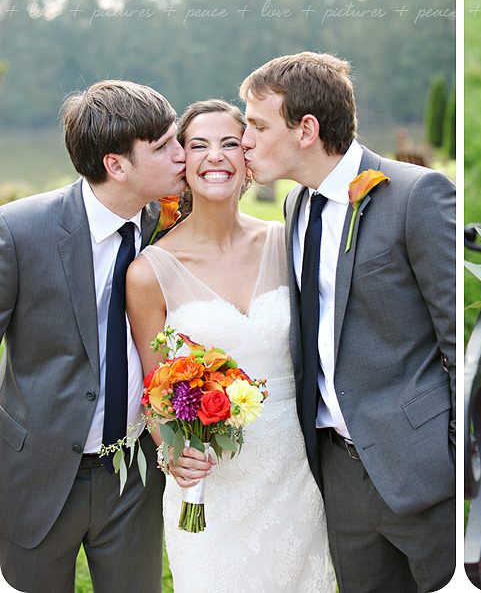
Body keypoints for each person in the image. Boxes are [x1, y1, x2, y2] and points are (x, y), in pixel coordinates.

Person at [238, 51, 456, 592]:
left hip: (424, 468)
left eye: (257, 124)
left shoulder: (415, 196)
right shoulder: (295, 207)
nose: (245, 138)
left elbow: (459, 336)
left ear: (306, 129)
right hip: (337, 471)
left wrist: (450, 450)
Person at [125, 99, 335, 593]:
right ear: (182, 160)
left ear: (248, 158)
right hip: (211, 478)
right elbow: (153, 390)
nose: (214, 156)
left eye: (229, 144)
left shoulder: (291, 243)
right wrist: (172, 453)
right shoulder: (149, 272)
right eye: (198, 145)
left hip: (295, 468)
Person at [0, 80, 185, 592]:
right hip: (34, 474)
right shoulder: (18, 231)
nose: (182, 154)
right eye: (166, 146)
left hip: (133, 474)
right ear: (116, 165)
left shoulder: (172, 224)